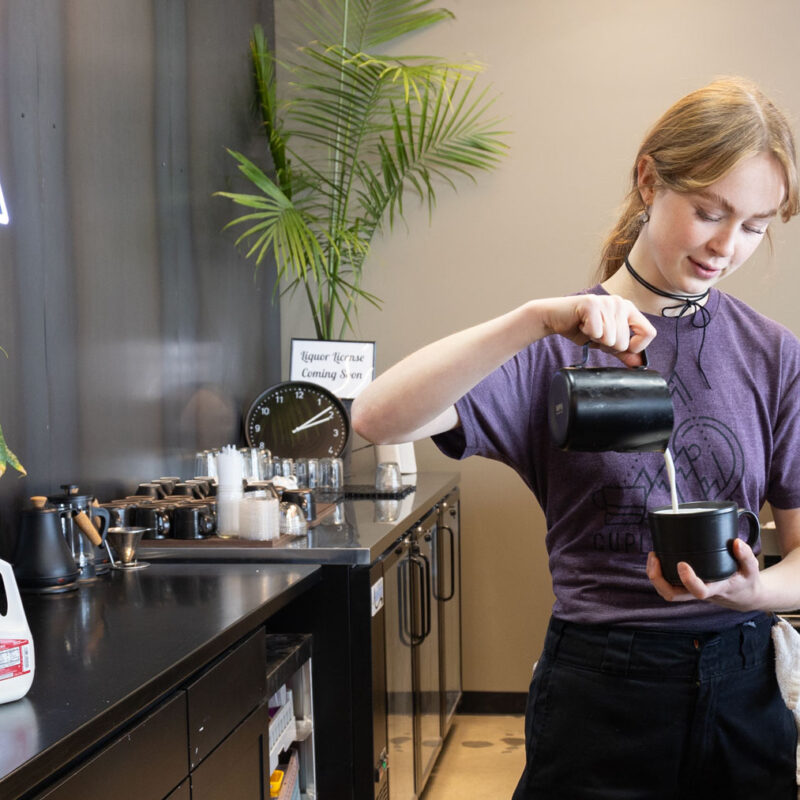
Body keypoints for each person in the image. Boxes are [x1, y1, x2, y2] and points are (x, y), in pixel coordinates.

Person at [351, 76, 800, 799]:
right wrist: (531, 321)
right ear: (649, 180)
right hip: (600, 691)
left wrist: (752, 592)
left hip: (742, 687)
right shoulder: (554, 345)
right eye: (709, 212)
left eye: (754, 226)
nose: (727, 245)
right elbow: (375, 418)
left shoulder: (774, 356)